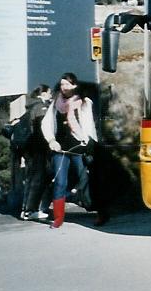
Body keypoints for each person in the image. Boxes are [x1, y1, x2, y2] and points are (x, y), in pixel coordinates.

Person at [41, 73, 98, 229]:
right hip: (60, 148)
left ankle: (98, 211)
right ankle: (58, 218)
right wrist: (51, 140)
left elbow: (89, 125)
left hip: (79, 146)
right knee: (59, 182)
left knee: (85, 179)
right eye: (62, 84)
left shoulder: (84, 102)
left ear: (74, 85)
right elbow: (46, 123)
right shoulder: (55, 102)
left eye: (67, 84)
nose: (64, 87)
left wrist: (91, 143)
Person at [20, 84, 52, 221]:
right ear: (43, 94)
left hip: (30, 148)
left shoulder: (31, 106)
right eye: (49, 93)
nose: (51, 95)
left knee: (32, 178)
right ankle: (31, 210)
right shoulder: (41, 107)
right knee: (38, 178)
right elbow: (41, 129)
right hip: (38, 147)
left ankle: (26, 210)